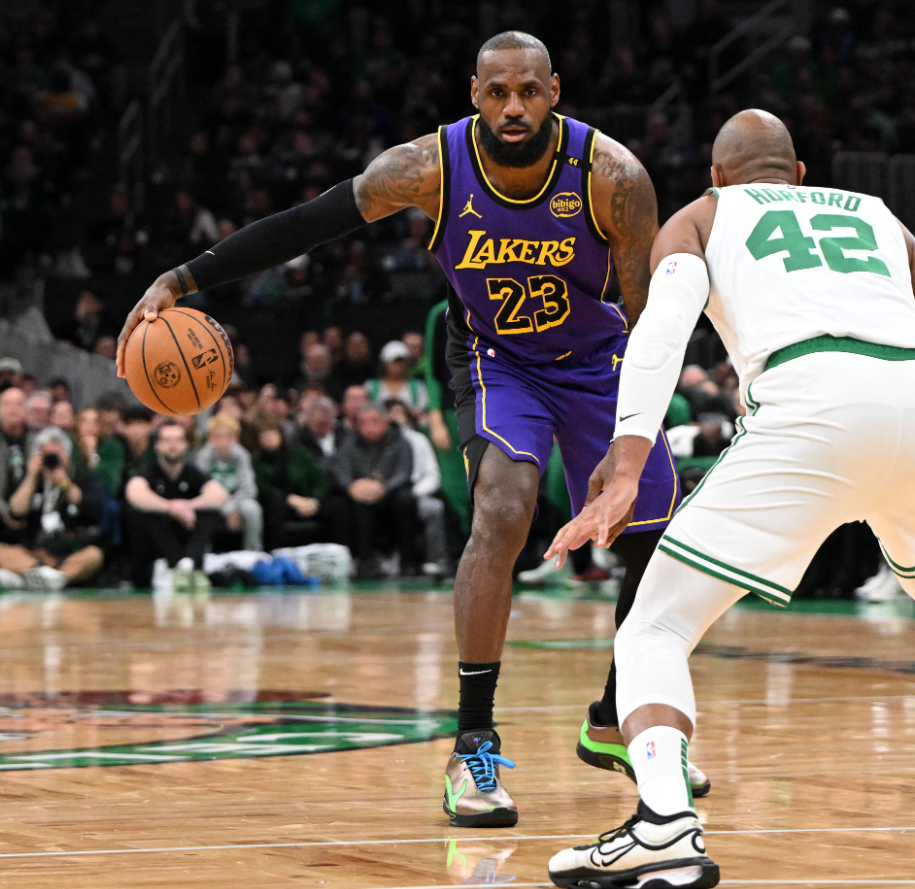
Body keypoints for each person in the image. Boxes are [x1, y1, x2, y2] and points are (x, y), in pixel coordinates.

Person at [116, 30, 690, 827]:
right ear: (474, 93)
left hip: (600, 359)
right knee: (502, 504)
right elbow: (309, 224)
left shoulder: (613, 178)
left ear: (555, 90)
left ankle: (612, 717)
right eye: (497, 92)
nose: (513, 106)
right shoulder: (427, 168)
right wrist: (184, 277)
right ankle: (473, 745)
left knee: (655, 541)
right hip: (498, 358)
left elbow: (645, 316)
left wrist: (635, 432)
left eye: (529, 90)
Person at [544, 110, 915, 887]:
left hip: (812, 400)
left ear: (717, 175)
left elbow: (663, 329)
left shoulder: (705, 214)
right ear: (801, 174)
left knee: (656, 623)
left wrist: (628, 462)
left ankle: (664, 822)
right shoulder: (878, 217)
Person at [0, 428, 104, 591]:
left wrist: (65, 483)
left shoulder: (80, 475)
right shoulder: (31, 477)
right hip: (33, 553)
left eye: (56, 454)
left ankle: (38, 579)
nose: (52, 460)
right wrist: (31, 476)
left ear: (67, 454)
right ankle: (45, 577)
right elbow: (16, 512)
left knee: (94, 555)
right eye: (47, 455)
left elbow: (91, 508)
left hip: (68, 554)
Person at [125, 422, 229, 590]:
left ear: (186, 445)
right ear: (158, 445)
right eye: (167, 440)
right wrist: (171, 507)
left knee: (210, 512)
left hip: (186, 537)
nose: (173, 445)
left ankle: (189, 562)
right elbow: (133, 493)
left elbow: (220, 495)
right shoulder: (150, 470)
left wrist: (189, 505)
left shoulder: (191, 471)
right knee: (141, 512)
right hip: (157, 546)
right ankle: (179, 564)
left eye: (178, 440)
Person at [330, 403, 417, 576]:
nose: (369, 427)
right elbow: (340, 470)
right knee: (351, 503)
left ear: (385, 422)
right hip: (360, 493)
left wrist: (383, 488)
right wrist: (351, 486)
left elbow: (404, 472)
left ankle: (407, 561)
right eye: (363, 423)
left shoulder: (401, 441)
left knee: (405, 499)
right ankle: (365, 561)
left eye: (374, 421)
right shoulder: (349, 442)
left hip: (391, 493)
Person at [384, 398, 448, 576]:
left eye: (399, 412)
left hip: (414, 492)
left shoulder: (418, 440)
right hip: (386, 494)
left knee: (435, 509)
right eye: (389, 412)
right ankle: (386, 558)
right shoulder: (380, 440)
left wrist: (416, 492)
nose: (394, 417)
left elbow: (432, 475)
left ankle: (436, 559)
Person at [251, 417, 330, 551]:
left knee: (338, 506)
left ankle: (341, 554)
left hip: (308, 500)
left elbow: (319, 480)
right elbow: (263, 488)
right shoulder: (257, 462)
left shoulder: (299, 454)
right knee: (274, 505)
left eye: (273, 433)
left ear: (281, 435)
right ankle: (276, 553)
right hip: (280, 505)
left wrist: (314, 500)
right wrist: (289, 499)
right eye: (264, 434)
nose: (269, 437)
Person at [195, 414, 263, 552]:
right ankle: (202, 556)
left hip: (238, 500)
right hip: (211, 502)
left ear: (236, 438)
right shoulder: (203, 457)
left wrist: (233, 506)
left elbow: (249, 489)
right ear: (210, 438)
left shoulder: (242, 455)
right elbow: (202, 490)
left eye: (228, 436)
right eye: (218, 437)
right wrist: (228, 509)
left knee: (252, 509)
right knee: (202, 513)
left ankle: (253, 554)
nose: (223, 441)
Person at [0, 388, 36, 540]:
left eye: (19, 404)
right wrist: (5, 513)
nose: (12, 409)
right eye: (7, 404)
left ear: (26, 411)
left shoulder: (37, 442)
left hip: (31, 511)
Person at [365, 340, 428, 416]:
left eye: (403, 361)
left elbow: (422, 414)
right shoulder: (370, 387)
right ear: (385, 362)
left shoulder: (418, 387)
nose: (399, 364)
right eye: (396, 361)